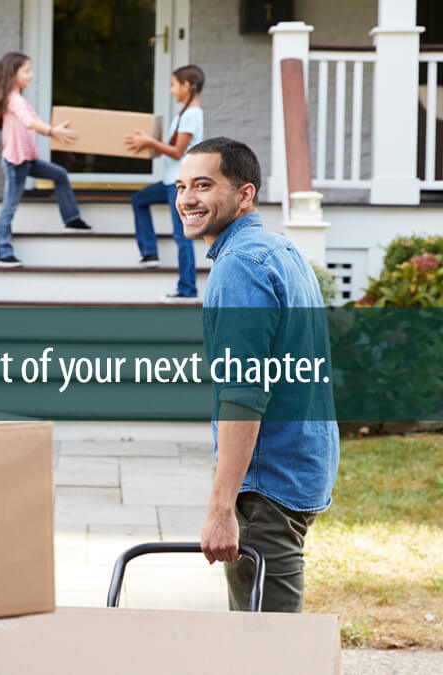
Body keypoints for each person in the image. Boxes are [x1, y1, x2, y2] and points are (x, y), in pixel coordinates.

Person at [174, 137, 340, 612]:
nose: (187, 198)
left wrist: (222, 508)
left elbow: (243, 392)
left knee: (269, 648)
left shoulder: (240, 267)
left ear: (244, 194)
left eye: (203, 185)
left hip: (268, 481)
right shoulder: (280, 250)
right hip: (300, 467)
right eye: (182, 186)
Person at [0, 51, 91, 269]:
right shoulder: (13, 100)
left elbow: (34, 122)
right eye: (27, 71)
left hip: (28, 160)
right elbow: (28, 122)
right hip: (16, 162)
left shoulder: (19, 99)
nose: (31, 75)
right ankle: (2, 253)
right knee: (9, 207)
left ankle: (71, 220)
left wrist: (54, 131)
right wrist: (52, 130)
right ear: (12, 74)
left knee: (60, 175)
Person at [125, 65, 206, 302]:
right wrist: (148, 143)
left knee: (182, 235)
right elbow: (171, 148)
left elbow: (178, 151)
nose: (171, 91)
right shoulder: (184, 113)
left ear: (187, 86)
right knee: (139, 200)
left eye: (173, 85)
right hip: (170, 181)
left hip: (179, 185)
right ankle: (150, 253)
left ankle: (187, 289)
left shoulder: (192, 115)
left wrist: (149, 141)